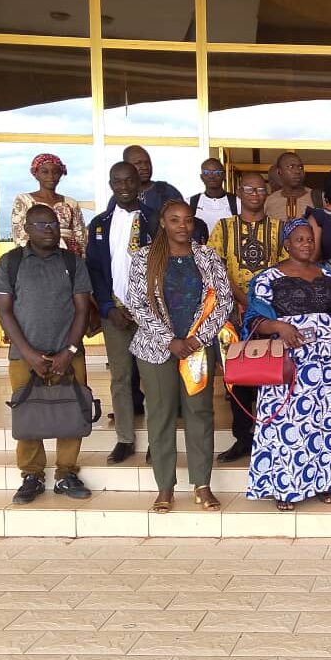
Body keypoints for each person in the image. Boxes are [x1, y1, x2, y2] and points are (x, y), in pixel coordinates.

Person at [86, 162, 206, 464]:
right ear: (111, 183)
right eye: (118, 181)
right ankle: (125, 438)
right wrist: (107, 307)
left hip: (155, 313)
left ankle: (158, 440)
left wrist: (154, 311)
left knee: (153, 378)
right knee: (121, 376)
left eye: (129, 181)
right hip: (115, 311)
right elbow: (96, 271)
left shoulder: (156, 220)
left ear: (138, 183)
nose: (124, 187)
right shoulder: (100, 223)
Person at [125, 201, 232, 514]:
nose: (182, 226)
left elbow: (223, 300)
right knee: (161, 416)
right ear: (163, 222)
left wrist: (197, 338)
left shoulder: (207, 256)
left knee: (200, 414)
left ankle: (202, 484)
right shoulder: (144, 258)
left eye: (187, 220)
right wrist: (170, 341)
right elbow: (138, 304)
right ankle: (165, 487)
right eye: (175, 220)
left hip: (197, 348)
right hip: (156, 350)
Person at [243, 218, 331, 510]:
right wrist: (279, 325)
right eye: (299, 240)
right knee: (286, 424)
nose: (306, 244)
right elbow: (253, 319)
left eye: (310, 240)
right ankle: (284, 486)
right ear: (286, 244)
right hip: (287, 360)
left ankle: (325, 481)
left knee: (325, 420)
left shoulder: (328, 273)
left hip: (324, 359)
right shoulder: (268, 278)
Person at [0, 204, 93, 504]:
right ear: (26, 229)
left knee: (72, 411)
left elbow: (82, 309)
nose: (49, 229)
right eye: (41, 224)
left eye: (52, 223)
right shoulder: (9, 263)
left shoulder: (73, 263)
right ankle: (32, 474)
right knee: (27, 413)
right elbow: (4, 311)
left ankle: (66, 473)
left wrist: (68, 351)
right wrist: (29, 354)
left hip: (69, 353)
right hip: (24, 355)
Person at [207, 172, 287, 464]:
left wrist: (259, 304)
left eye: (260, 189)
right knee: (238, 379)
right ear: (238, 193)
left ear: (267, 193)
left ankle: (271, 435)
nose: (255, 194)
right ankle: (243, 438)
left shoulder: (279, 228)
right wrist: (242, 301)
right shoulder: (223, 228)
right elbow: (214, 268)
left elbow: (284, 270)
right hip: (234, 315)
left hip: (270, 315)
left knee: (270, 374)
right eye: (248, 189)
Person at [10, 153, 88, 256]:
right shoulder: (24, 200)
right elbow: (20, 236)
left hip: (69, 255)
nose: (50, 176)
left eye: (55, 172)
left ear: (61, 174)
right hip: (37, 255)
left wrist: (81, 259)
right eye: (45, 172)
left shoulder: (70, 203)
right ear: (36, 174)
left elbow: (80, 236)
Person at [119, 145, 185, 217]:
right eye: (138, 163)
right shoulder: (120, 196)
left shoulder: (167, 192)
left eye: (147, 162)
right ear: (126, 167)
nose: (145, 167)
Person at [265, 152, 324, 222]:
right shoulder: (270, 201)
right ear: (279, 171)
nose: (297, 171)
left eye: (300, 167)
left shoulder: (319, 198)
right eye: (291, 167)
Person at [189, 157, 238, 232]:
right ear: (201, 177)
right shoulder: (190, 202)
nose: (211, 176)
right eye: (206, 172)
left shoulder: (237, 202)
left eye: (217, 172)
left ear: (224, 175)